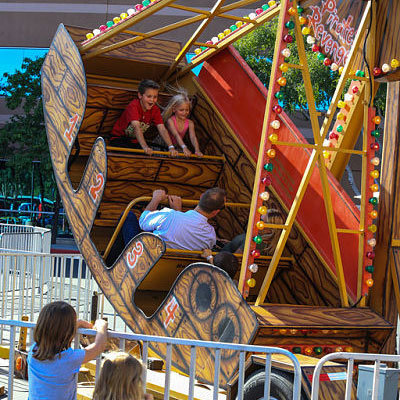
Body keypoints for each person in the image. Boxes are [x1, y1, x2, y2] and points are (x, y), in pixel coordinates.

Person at [28, 301, 108, 400]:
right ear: (68, 332)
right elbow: (99, 346)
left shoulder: (33, 351)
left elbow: (56, 331)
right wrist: (102, 326)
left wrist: (78, 323)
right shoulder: (69, 359)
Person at [121, 187, 226, 251]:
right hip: (172, 273)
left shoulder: (169, 215)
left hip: (147, 260)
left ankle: (113, 259)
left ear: (201, 196)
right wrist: (178, 211)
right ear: (215, 211)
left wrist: (156, 198)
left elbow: (143, 222)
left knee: (128, 216)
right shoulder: (210, 235)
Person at [110, 79, 178, 157]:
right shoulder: (133, 106)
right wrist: (145, 147)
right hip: (118, 139)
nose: (152, 100)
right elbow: (136, 127)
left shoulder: (155, 109)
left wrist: (171, 147)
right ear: (140, 95)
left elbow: (162, 129)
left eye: (155, 97)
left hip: (135, 142)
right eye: (149, 96)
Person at [162, 93, 203, 157]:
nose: (184, 113)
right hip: (163, 143)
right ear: (174, 109)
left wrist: (197, 150)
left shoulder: (190, 123)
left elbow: (193, 137)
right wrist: (184, 147)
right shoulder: (170, 121)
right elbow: (176, 135)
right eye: (181, 110)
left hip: (176, 145)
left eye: (187, 110)